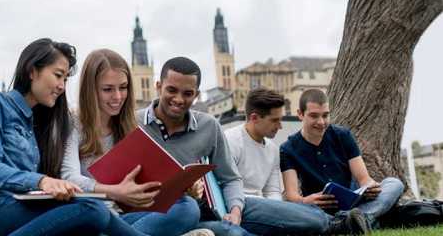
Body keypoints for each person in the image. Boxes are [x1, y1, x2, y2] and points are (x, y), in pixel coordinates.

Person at [0, 38, 149, 236]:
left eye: (66, 79)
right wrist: (42, 181)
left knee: (88, 219)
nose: (62, 86)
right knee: (92, 209)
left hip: (19, 210)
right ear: (32, 71)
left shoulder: (41, 122)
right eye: (58, 76)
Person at [61, 49, 203, 236]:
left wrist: (179, 187)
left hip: (126, 217)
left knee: (188, 207)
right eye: (108, 89)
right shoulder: (73, 123)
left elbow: (146, 182)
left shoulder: (129, 125)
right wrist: (115, 192)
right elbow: (68, 178)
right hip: (96, 219)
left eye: (123, 87)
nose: (118, 97)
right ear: (91, 90)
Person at [225, 88, 369, 235]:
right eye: (275, 120)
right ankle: (339, 223)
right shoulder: (230, 141)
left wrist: (281, 213)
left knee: (304, 211)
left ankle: (339, 221)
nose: (280, 126)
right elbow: (227, 186)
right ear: (254, 118)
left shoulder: (273, 149)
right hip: (242, 206)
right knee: (312, 216)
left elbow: (273, 191)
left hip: (266, 209)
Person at [135, 57, 253, 236]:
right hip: (144, 214)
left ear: (196, 95)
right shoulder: (131, 123)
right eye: (171, 90)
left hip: (193, 213)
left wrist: (235, 212)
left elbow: (230, 178)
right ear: (158, 87)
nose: (179, 99)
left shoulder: (209, 126)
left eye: (187, 93)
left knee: (234, 231)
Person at [280, 88, 405, 232]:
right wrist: (305, 200)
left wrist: (370, 186)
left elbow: (364, 178)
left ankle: (356, 219)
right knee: (305, 216)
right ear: (300, 114)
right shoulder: (288, 149)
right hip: (319, 210)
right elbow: (291, 195)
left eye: (325, 115)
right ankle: (364, 218)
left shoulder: (343, 135)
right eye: (314, 116)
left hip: (355, 205)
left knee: (394, 183)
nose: (321, 122)